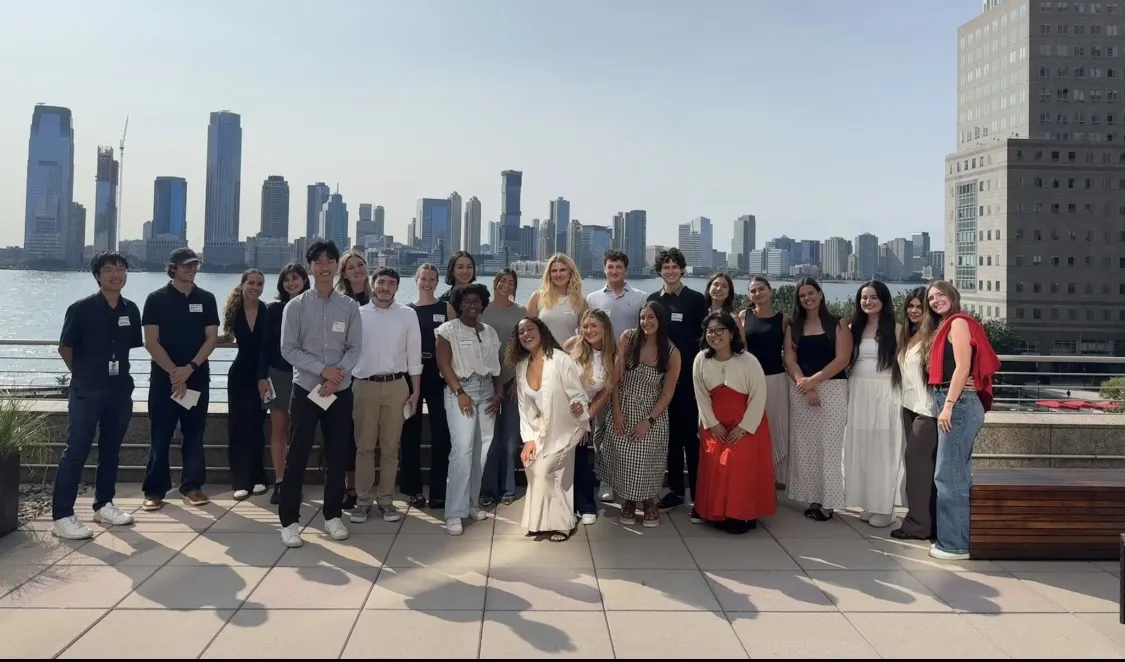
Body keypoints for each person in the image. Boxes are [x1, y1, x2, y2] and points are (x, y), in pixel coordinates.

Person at [51, 252, 142, 540]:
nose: (116, 274)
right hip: (87, 390)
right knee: (76, 451)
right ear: (97, 275)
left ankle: (104, 504)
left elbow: (130, 347)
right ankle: (62, 516)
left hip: (119, 390)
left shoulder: (131, 309)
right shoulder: (81, 309)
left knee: (111, 450)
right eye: (109, 269)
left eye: (121, 268)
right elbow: (66, 348)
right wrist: (84, 375)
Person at [278, 240, 362, 548]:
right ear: (310, 266)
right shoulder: (297, 306)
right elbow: (288, 349)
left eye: (330, 261)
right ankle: (288, 521)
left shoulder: (349, 306)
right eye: (318, 262)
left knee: (338, 454)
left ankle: (332, 515)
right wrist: (322, 370)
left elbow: (355, 348)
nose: (324, 267)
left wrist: (336, 375)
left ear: (337, 265)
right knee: (297, 454)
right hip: (305, 389)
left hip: (339, 391)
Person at [922, 280, 999, 561]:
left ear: (953, 296)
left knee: (949, 475)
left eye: (941, 294)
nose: (936, 300)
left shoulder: (958, 323)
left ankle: (954, 545)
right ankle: (957, 540)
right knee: (955, 473)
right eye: (931, 297)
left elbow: (963, 367)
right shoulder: (947, 324)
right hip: (956, 402)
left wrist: (949, 406)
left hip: (959, 404)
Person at [140, 248, 220, 511]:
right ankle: (154, 490)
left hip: (197, 378)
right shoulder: (156, 299)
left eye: (194, 265)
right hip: (165, 380)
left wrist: (190, 368)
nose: (191, 269)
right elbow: (151, 342)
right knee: (160, 435)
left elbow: (211, 339)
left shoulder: (206, 299)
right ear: (172, 267)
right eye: (186, 265)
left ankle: (193, 486)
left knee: (194, 435)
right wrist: (175, 373)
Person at [692, 311, 776, 534]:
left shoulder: (748, 361)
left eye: (720, 330)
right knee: (714, 459)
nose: (714, 335)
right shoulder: (701, 359)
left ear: (731, 333)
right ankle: (715, 512)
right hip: (715, 422)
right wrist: (712, 423)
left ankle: (742, 513)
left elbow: (759, 396)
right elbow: (700, 395)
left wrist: (744, 427)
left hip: (746, 423)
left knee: (737, 461)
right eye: (710, 331)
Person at [350, 267, 421, 525]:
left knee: (391, 448)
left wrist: (415, 392)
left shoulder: (407, 315)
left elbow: (414, 356)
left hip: (396, 386)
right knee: (364, 447)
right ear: (373, 284)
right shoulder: (357, 314)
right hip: (364, 385)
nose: (386, 287)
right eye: (382, 282)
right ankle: (363, 501)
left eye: (391, 283)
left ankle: (387, 501)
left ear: (397, 287)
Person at [510, 317, 590, 542]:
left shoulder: (561, 359)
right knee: (531, 464)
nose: (526, 334)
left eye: (530, 329)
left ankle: (564, 523)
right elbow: (524, 407)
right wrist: (528, 439)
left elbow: (578, 395)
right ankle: (540, 522)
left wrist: (577, 406)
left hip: (567, 427)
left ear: (542, 331)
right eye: (521, 331)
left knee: (547, 470)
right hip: (539, 429)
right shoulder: (521, 365)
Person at [603, 301, 681, 527]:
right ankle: (629, 500)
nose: (646, 322)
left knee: (648, 458)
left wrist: (649, 420)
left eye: (651, 317)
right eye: (643, 317)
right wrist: (616, 411)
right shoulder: (628, 338)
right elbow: (615, 378)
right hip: (624, 404)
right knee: (625, 457)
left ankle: (648, 501)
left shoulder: (672, 352)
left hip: (652, 409)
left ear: (661, 320)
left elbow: (667, 394)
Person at [435, 283, 503, 535]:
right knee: (462, 451)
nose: (472, 305)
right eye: (467, 301)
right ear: (458, 304)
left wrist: (499, 393)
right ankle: (454, 512)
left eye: (477, 301)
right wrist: (460, 393)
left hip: (487, 393)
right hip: (461, 391)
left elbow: (496, 366)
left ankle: (472, 504)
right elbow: (444, 364)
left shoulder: (490, 332)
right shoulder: (447, 330)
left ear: (483, 304)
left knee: (482, 451)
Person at [783, 277, 852, 522]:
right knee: (805, 447)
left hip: (832, 390)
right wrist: (804, 384)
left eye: (810, 293)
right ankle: (814, 497)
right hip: (801, 389)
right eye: (802, 296)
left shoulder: (838, 324)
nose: (807, 298)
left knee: (830, 447)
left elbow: (842, 360)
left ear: (820, 294)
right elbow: (790, 359)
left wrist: (814, 381)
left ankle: (830, 502)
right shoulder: (794, 325)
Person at [646, 248, 707, 512]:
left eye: (675, 266)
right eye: (665, 267)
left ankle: (698, 492)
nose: (670, 271)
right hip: (661, 379)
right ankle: (675, 490)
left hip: (690, 378)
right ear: (659, 271)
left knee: (690, 438)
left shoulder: (696, 300)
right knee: (668, 437)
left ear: (682, 269)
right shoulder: (652, 300)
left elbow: (706, 339)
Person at [585, 249, 646, 504]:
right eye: (610, 267)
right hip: (602, 369)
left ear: (626, 270)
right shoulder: (593, 298)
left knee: (624, 425)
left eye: (619, 267)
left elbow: (645, 331)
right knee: (601, 428)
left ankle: (626, 478)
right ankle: (606, 480)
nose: (614, 271)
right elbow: (587, 331)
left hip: (631, 370)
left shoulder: (640, 297)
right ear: (604, 269)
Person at [842, 281, 904, 529]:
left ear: (884, 300)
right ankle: (869, 503)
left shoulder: (897, 330)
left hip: (885, 392)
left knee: (883, 449)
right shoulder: (852, 328)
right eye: (863, 298)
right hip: (858, 392)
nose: (868, 302)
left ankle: (886, 507)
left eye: (873, 297)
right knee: (862, 448)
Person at [399, 264, 457, 510]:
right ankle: (412, 490)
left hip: (437, 376)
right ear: (416, 279)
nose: (428, 283)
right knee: (409, 435)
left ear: (437, 282)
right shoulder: (406, 310)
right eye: (424, 278)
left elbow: (454, 343)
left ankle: (438, 491)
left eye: (432, 279)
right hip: (411, 378)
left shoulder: (446, 308)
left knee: (441, 435)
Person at [258, 262, 310, 505]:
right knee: (279, 429)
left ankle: (295, 480)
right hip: (278, 374)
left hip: (308, 375)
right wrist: (261, 378)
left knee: (300, 431)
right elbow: (265, 345)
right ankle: (280, 482)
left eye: (296, 278)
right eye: (287, 279)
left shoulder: (313, 305)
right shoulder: (273, 309)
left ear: (304, 280)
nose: (291, 283)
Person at [563, 308, 618, 525]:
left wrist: (585, 418)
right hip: (561, 407)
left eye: (594, 325)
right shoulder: (573, 345)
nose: (589, 330)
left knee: (580, 456)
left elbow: (605, 392)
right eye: (585, 326)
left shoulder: (613, 357)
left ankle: (585, 504)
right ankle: (562, 505)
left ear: (604, 327)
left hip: (583, 413)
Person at [892, 288, 938, 541]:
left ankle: (918, 526)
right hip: (909, 407)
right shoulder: (908, 336)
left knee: (918, 468)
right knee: (920, 469)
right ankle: (925, 521)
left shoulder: (933, 336)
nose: (914, 311)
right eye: (910, 306)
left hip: (928, 410)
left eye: (919, 306)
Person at [480, 268, 527, 507]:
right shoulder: (482, 310)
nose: (506, 285)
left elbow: (526, 347)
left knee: (510, 438)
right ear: (495, 282)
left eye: (511, 282)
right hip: (486, 382)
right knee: (489, 438)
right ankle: (488, 489)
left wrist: (518, 379)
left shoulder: (521, 312)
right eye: (503, 280)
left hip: (512, 381)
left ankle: (508, 488)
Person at [221, 269, 269, 500]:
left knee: (257, 427)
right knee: (237, 427)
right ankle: (240, 480)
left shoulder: (267, 310)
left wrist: (265, 377)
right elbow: (227, 338)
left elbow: (270, 347)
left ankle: (258, 477)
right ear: (242, 285)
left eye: (260, 284)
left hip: (261, 376)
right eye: (251, 282)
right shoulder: (235, 310)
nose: (255, 287)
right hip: (239, 374)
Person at [739, 276, 790, 490]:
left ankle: (776, 477)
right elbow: (742, 351)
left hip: (776, 379)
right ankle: (755, 474)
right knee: (753, 428)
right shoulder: (743, 316)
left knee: (777, 427)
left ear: (771, 291)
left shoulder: (784, 319)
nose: (757, 294)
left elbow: (788, 354)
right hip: (750, 381)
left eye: (761, 289)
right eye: (753, 291)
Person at [335, 249, 370, 508]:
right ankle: (344, 486)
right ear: (344, 274)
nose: (357, 269)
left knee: (365, 436)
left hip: (371, 376)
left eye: (361, 264)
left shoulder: (378, 297)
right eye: (351, 267)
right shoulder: (339, 302)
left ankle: (362, 486)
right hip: (345, 376)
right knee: (343, 435)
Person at [527, 253, 586, 344]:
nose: (558, 274)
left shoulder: (580, 301)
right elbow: (528, 332)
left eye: (562, 270)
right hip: (543, 356)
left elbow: (584, 334)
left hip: (569, 356)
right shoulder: (537, 297)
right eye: (554, 271)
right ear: (549, 274)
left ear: (570, 272)